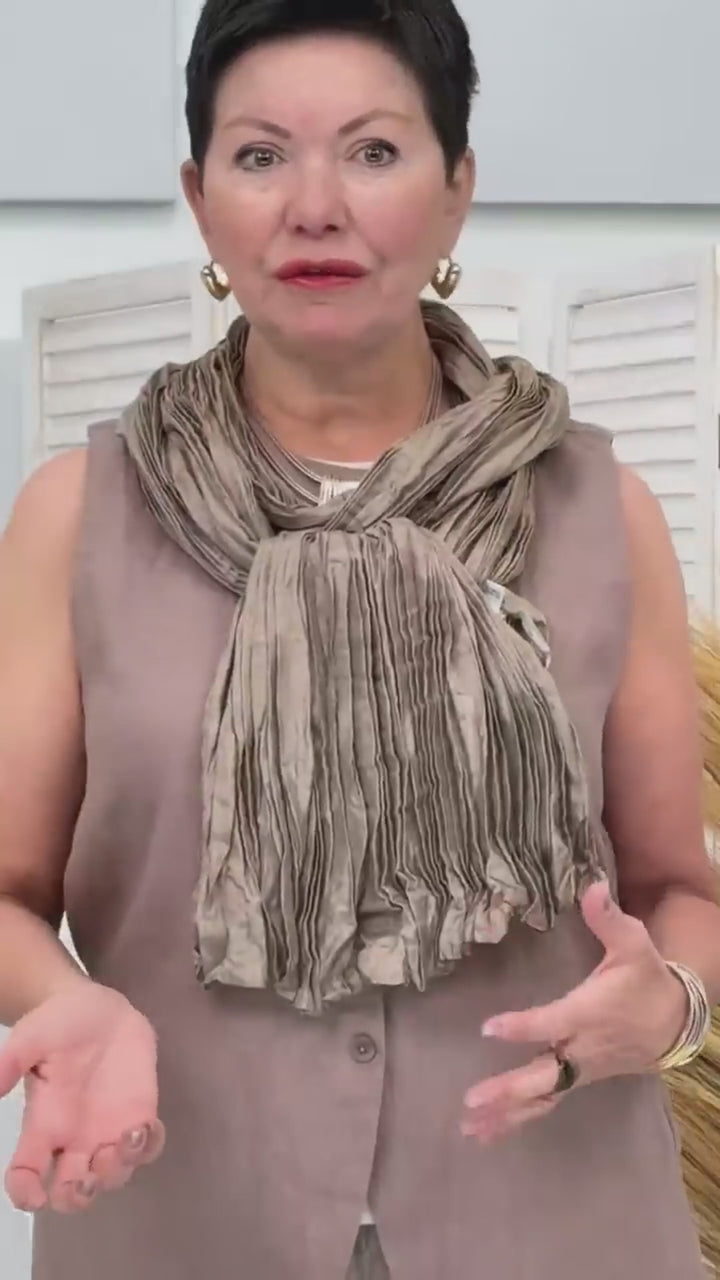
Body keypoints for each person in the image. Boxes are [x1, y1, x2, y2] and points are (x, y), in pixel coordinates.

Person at [0, 1, 716, 1277]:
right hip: (181, 1215)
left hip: (558, 1224)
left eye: (375, 151)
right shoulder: (78, 515)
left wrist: (671, 1002)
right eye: (260, 155)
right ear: (201, 199)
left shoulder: (599, 508)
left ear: (457, 191)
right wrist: (68, 1002)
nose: (315, 206)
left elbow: (683, 888)